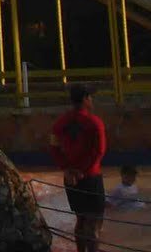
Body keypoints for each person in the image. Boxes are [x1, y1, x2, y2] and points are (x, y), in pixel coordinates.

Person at [49, 83, 107, 252]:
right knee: (94, 222)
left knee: (80, 220)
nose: (92, 99)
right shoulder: (95, 123)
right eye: (90, 96)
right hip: (91, 177)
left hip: (70, 179)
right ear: (85, 99)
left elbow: (53, 148)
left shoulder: (59, 123)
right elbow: (100, 151)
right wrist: (82, 170)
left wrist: (67, 169)